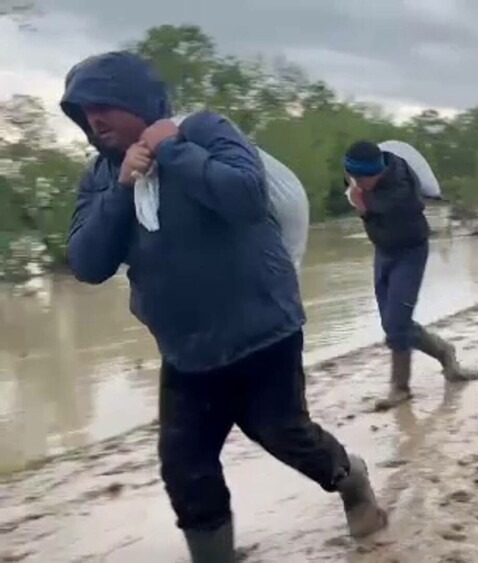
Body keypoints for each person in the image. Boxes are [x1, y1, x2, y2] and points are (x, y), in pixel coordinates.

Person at [60, 52, 387, 562]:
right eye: (83, 111)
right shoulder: (102, 177)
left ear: (137, 101)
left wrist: (172, 150)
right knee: (184, 467)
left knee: (286, 436)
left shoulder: (206, 131)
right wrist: (122, 188)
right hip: (185, 353)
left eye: (104, 105)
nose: (93, 119)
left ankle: (352, 480)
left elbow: (247, 196)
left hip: (263, 333)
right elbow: (87, 263)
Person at [343, 141, 478, 411]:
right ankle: (445, 352)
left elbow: (371, 206)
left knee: (397, 323)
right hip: (383, 250)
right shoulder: (363, 178)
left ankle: (400, 388)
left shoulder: (401, 188)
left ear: (379, 171)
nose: (359, 183)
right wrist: (357, 189)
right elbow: (358, 189)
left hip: (410, 252)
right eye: (354, 177)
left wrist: (360, 203)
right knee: (392, 323)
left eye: (364, 178)